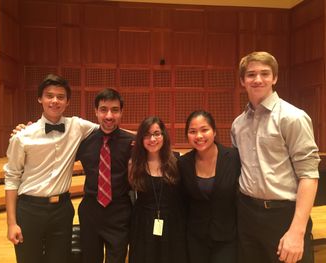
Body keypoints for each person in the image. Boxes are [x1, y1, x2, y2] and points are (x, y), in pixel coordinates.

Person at [231, 51, 320, 263]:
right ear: (243, 81)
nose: (258, 79)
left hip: (284, 216)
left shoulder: (293, 117)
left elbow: (309, 175)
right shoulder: (238, 124)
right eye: (251, 74)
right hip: (247, 215)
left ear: (275, 78)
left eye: (265, 73)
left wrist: (297, 232)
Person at [4, 74, 99, 263]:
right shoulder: (22, 136)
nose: (55, 101)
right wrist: (11, 223)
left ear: (67, 101)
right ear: (40, 98)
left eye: (60, 96)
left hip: (62, 210)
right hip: (30, 209)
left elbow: (110, 130)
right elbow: (12, 178)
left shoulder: (77, 126)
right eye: (49, 95)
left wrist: (145, 135)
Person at [76, 88, 135, 263]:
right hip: (90, 211)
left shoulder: (131, 143)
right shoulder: (84, 142)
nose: (109, 116)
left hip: (119, 212)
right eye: (103, 109)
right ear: (96, 111)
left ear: (121, 112)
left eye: (115, 110)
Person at [178, 110, 241, 263]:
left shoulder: (233, 158)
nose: (199, 136)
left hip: (227, 237)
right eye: (192, 131)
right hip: (196, 238)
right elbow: (183, 202)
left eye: (204, 130)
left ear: (214, 132)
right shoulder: (183, 163)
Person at [128, 116, 188, 263]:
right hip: (143, 223)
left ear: (163, 135)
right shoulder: (134, 164)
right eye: (147, 135)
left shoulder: (177, 160)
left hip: (173, 222)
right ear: (141, 138)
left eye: (156, 133)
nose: (152, 139)